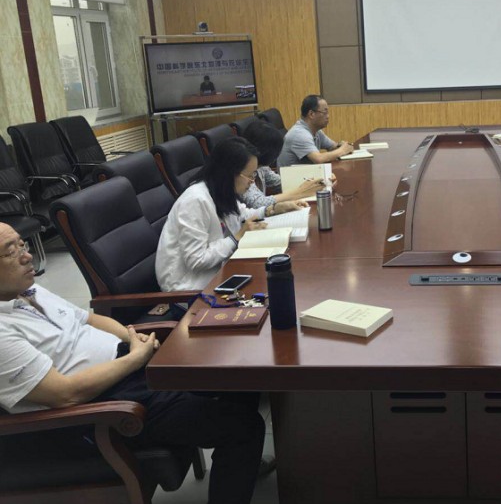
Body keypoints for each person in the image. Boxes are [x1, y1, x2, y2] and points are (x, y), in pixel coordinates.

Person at [0, 223, 265, 504]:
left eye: (22, 244)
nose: (27, 255)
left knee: (238, 377)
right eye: (9, 251)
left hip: (128, 367)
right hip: (105, 408)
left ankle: (239, 466)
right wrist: (134, 358)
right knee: (243, 427)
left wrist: (132, 337)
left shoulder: (27, 291)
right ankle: (239, 457)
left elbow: (89, 318)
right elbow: (65, 394)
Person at [156, 137, 307, 291]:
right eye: (250, 176)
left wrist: (273, 209)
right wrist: (236, 238)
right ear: (229, 173)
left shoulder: (221, 190)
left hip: (221, 272)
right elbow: (197, 260)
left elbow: (242, 215)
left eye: (254, 175)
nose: (252, 182)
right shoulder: (195, 201)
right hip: (190, 288)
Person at [241, 120, 334, 208]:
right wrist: (299, 192)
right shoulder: (242, 172)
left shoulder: (262, 168)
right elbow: (258, 203)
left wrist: (322, 178)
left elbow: (282, 183)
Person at [276, 95, 354, 166]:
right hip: (293, 176)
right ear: (311, 114)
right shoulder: (299, 134)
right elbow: (318, 159)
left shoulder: (316, 131)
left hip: (307, 173)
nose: (328, 116)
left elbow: (332, 147)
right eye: (325, 112)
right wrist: (342, 150)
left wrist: (341, 145)